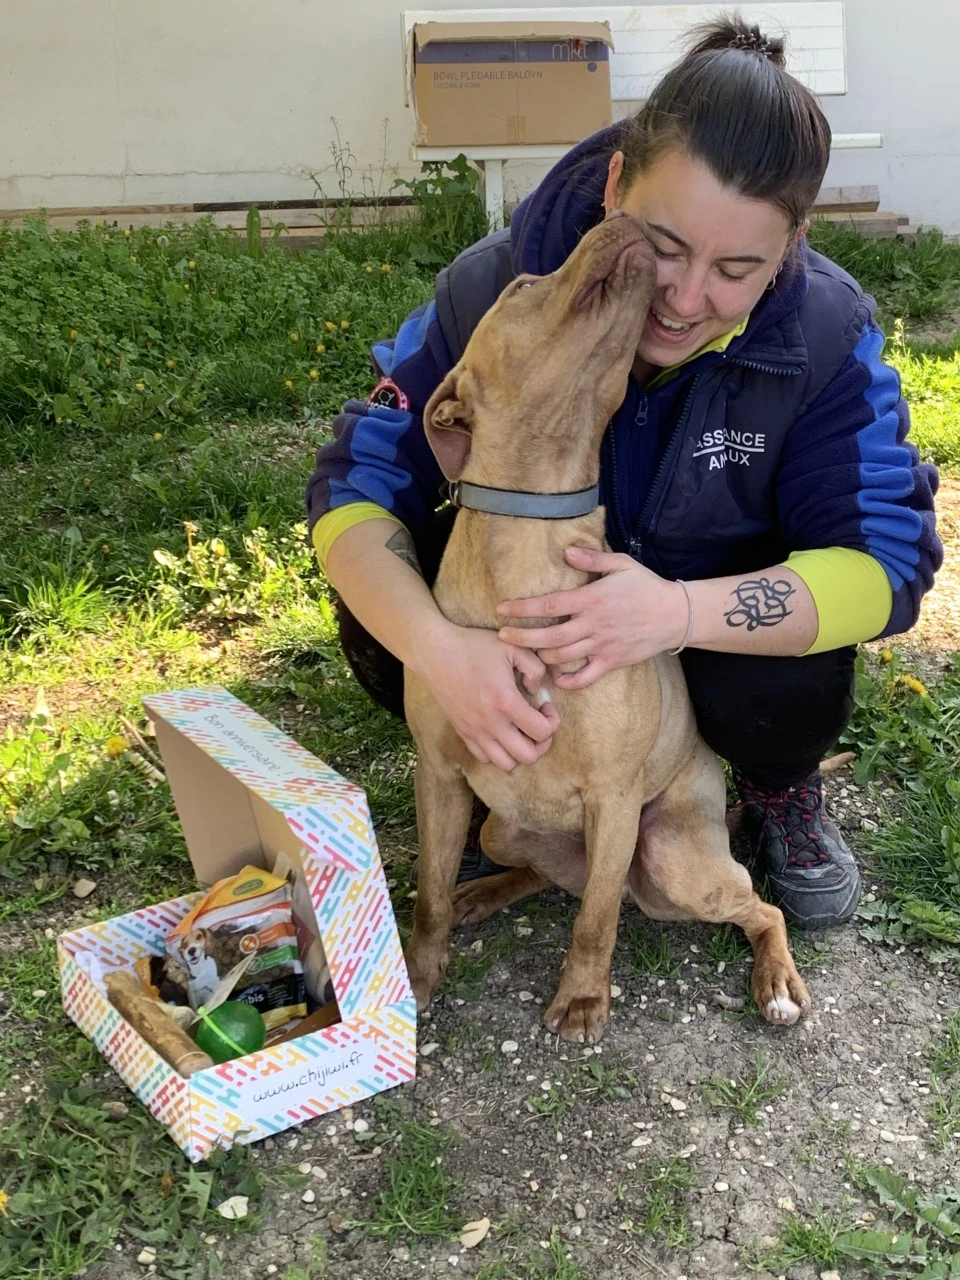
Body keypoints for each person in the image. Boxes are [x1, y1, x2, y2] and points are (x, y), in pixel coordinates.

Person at [306, 16, 942, 930]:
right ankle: (516, 758)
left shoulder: (828, 341)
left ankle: (769, 792)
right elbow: (356, 484)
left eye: (736, 269)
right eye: (667, 246)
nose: (683, 300)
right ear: (614, 187)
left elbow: (887, 566)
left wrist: (675, 612)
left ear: (793, 242)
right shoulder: (492, 293)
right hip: (533, 610)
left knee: (786, 688)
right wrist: (440, 650)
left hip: (700, 630)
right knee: (380, 625)